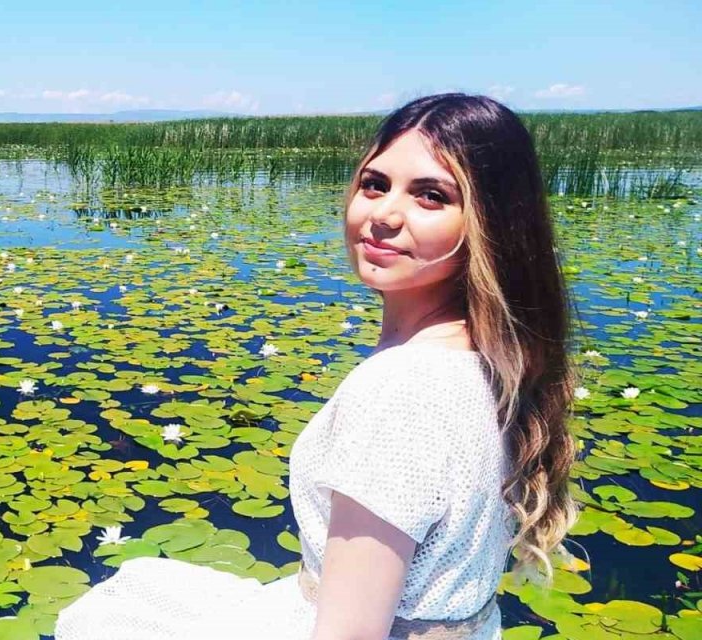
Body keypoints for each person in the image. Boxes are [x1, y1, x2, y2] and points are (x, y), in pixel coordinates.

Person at [53, 93, 580, 640]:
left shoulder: (402, 391)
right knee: (145, 590)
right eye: (374, 184)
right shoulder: (492, 359)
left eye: (431, 196)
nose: (384, 215)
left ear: (491, 224)